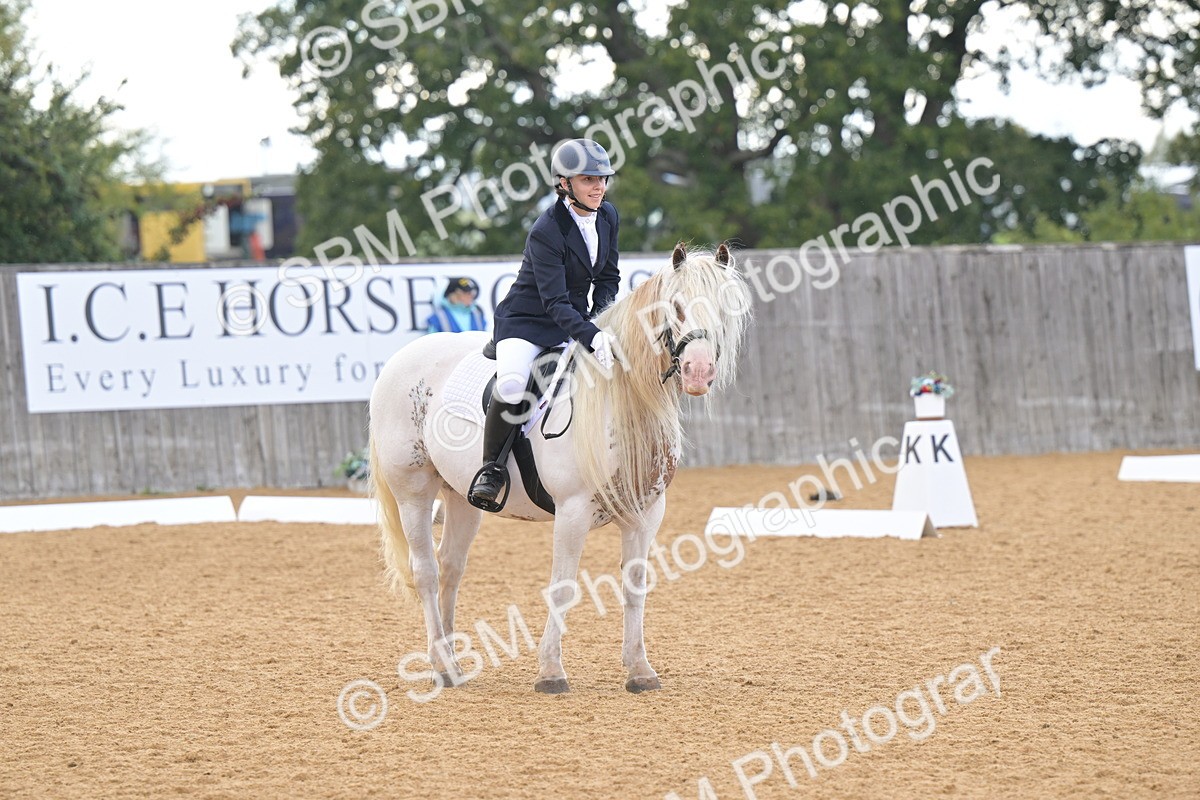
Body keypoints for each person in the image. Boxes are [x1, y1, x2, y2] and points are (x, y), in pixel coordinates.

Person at [467, 138, 621, 511]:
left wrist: (600, 319)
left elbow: (608, 278)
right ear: (564, 184)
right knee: (515, 383)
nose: (598, 187)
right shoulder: (547, 230)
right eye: (588, 180)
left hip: (574, 321)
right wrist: (592, 335)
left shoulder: (608, 216)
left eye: (602, 179)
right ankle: (492, 470)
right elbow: (554, 302)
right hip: (526, 323)